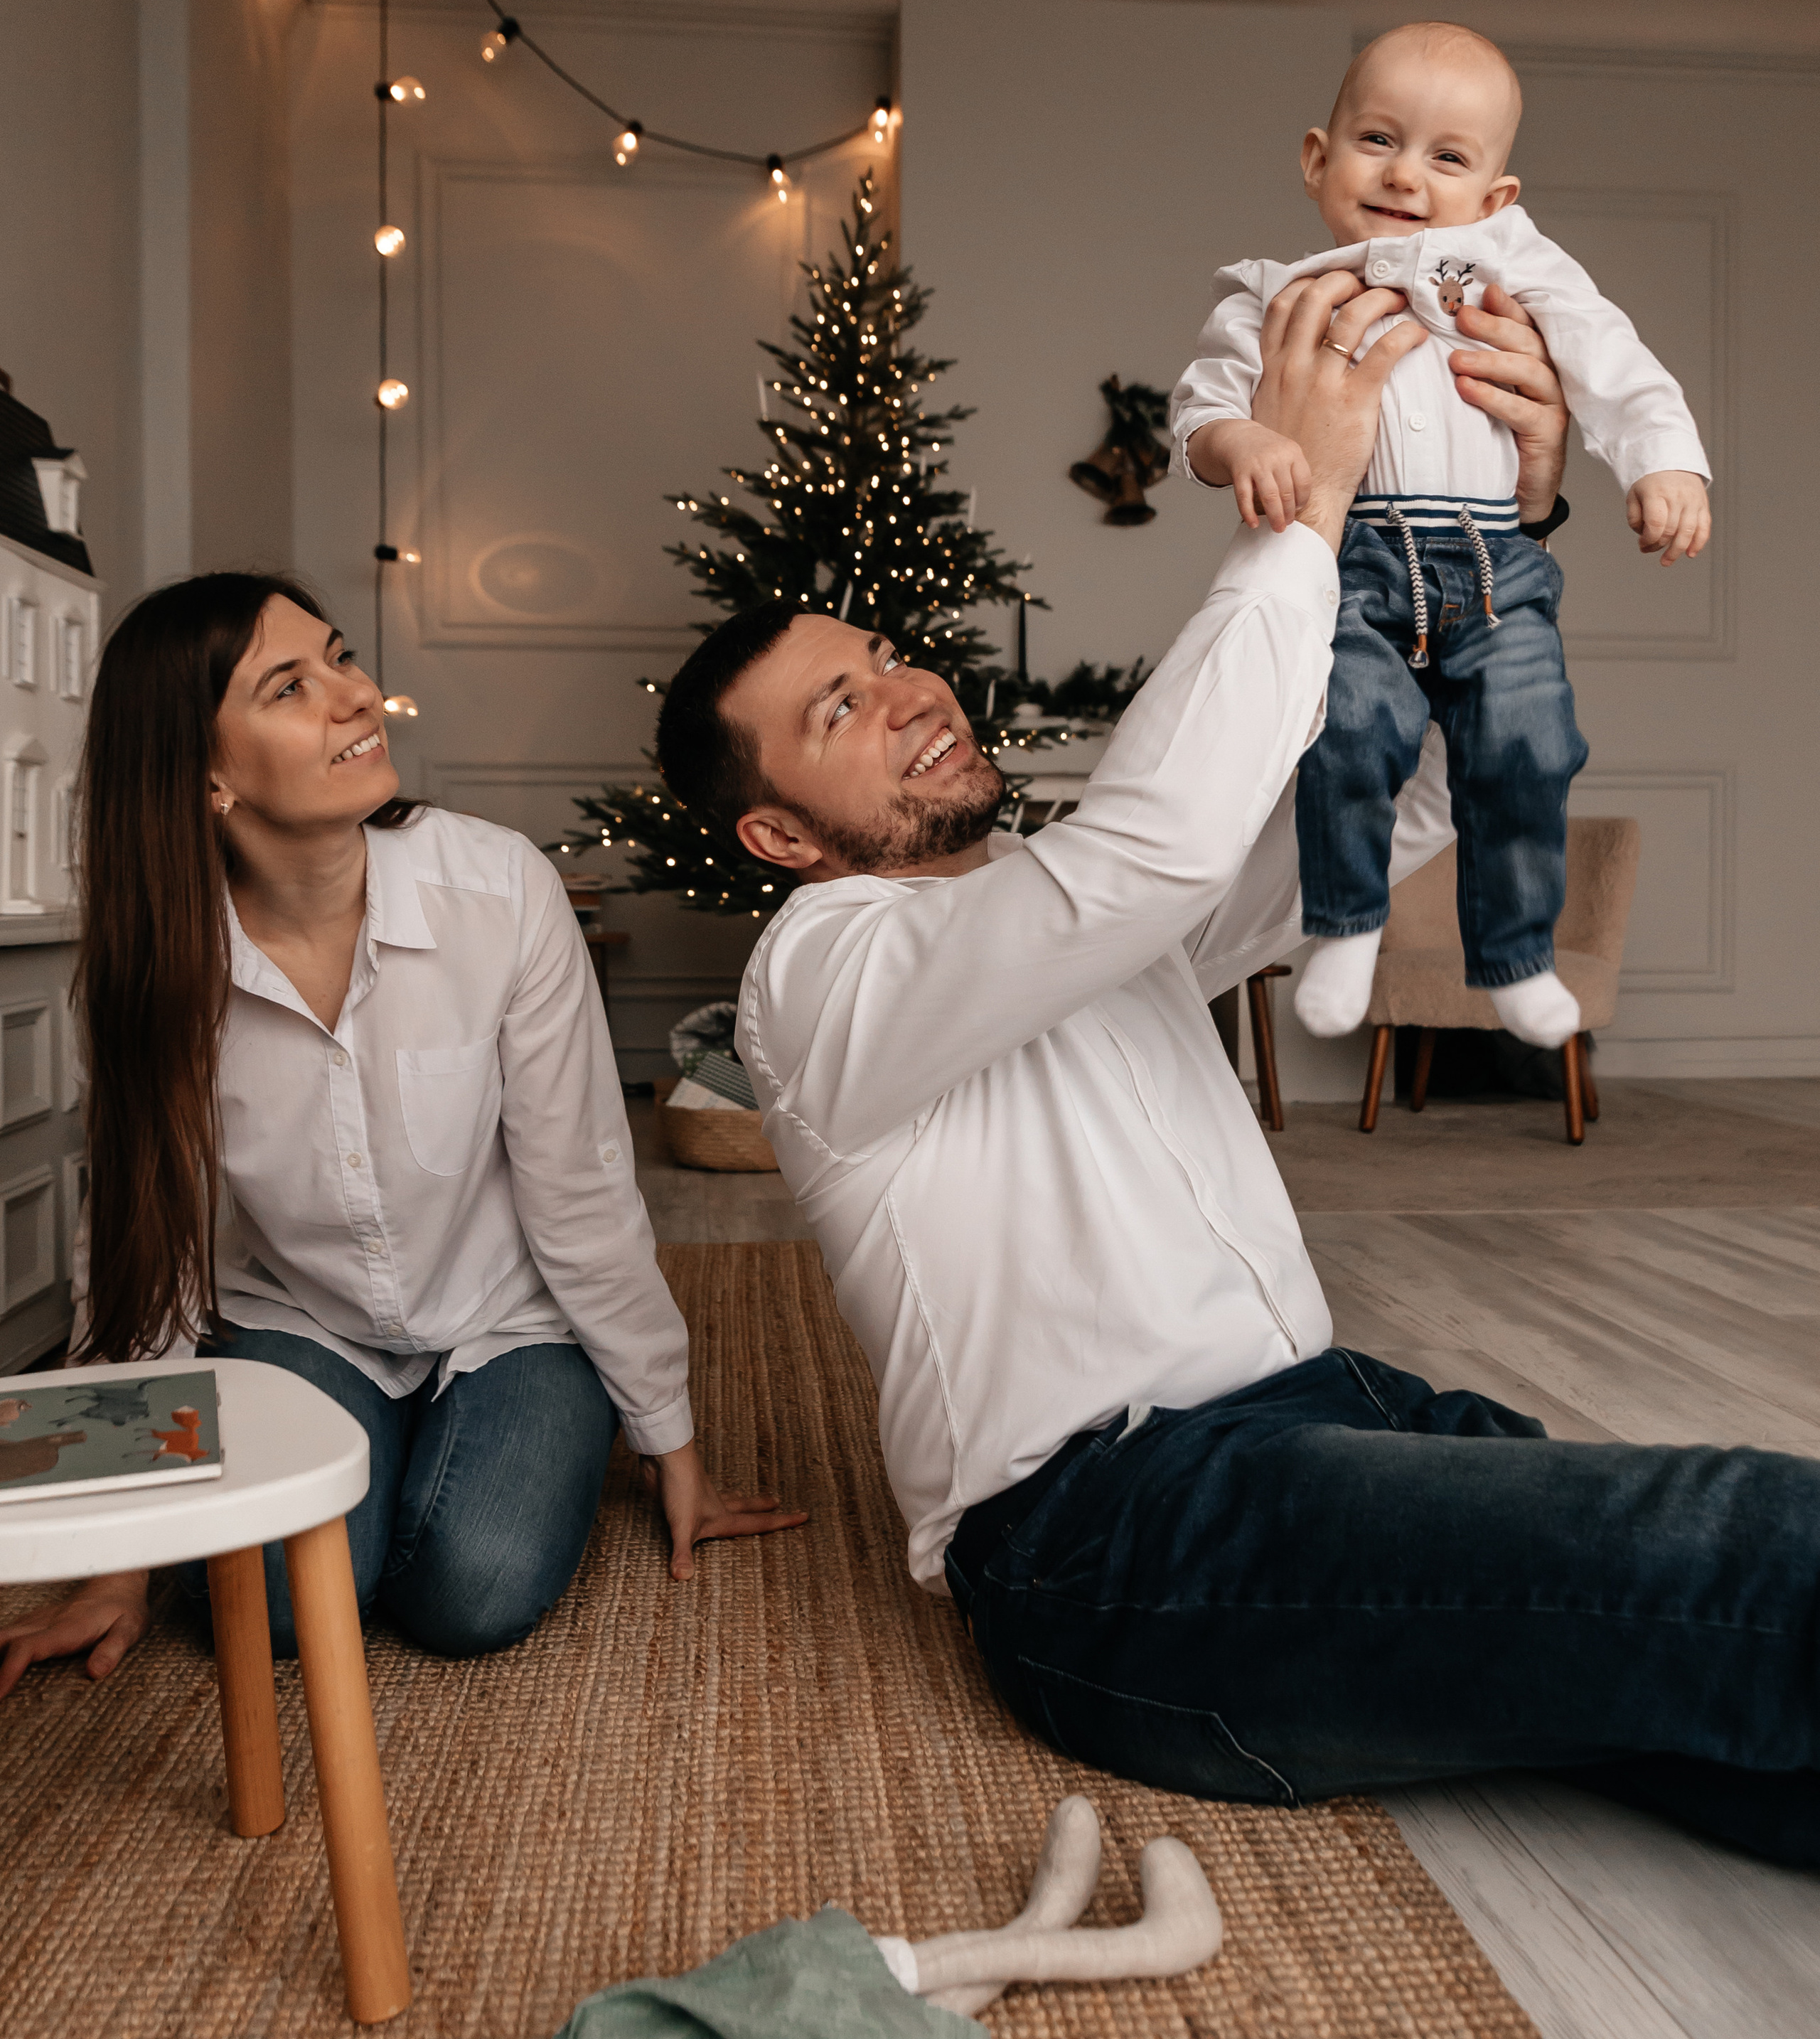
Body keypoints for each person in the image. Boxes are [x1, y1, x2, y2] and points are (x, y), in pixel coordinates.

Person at [653, 279, 1820, 1871]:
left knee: (1671, 1659)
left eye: (886, 655)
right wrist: (1302, 499)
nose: (911, 687)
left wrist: (1488, 519)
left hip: (1321, 1418)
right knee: (1724, 1546)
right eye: (838, 709)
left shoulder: (1069, 911)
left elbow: (1405, 800)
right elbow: (1159, 845)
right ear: (780, 837)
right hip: (1123, 1547)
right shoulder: (819, 971)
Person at [0, 574, 802, 1700]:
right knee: (276, 1618)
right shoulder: (156, 972)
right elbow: (142, 1254)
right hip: (302, 1316)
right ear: (206, 777)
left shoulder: (501, 891)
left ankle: (459, 1447)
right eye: (292, 685)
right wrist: (119, 1571)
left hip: (510, 1315)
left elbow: (581, 1196)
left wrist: (675, 1449)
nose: (357, 695)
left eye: (341, 656)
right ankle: (361, 1460)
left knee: (472, 1594)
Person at [1169, 20, 1713, 1052]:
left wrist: (1664, 461)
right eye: (1378, 140)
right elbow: (1198, 410)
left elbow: (1611, 358)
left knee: (1530, 746)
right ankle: (1345, 927)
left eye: (1447, 156)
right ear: (1317, 160)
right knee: (1350, 739)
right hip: (1358, 560)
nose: (1406, 175)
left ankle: (1515, 957)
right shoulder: (1275, 295)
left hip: (1495, 558)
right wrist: (1239, 441)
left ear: (1497, 199)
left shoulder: (1512, 269)